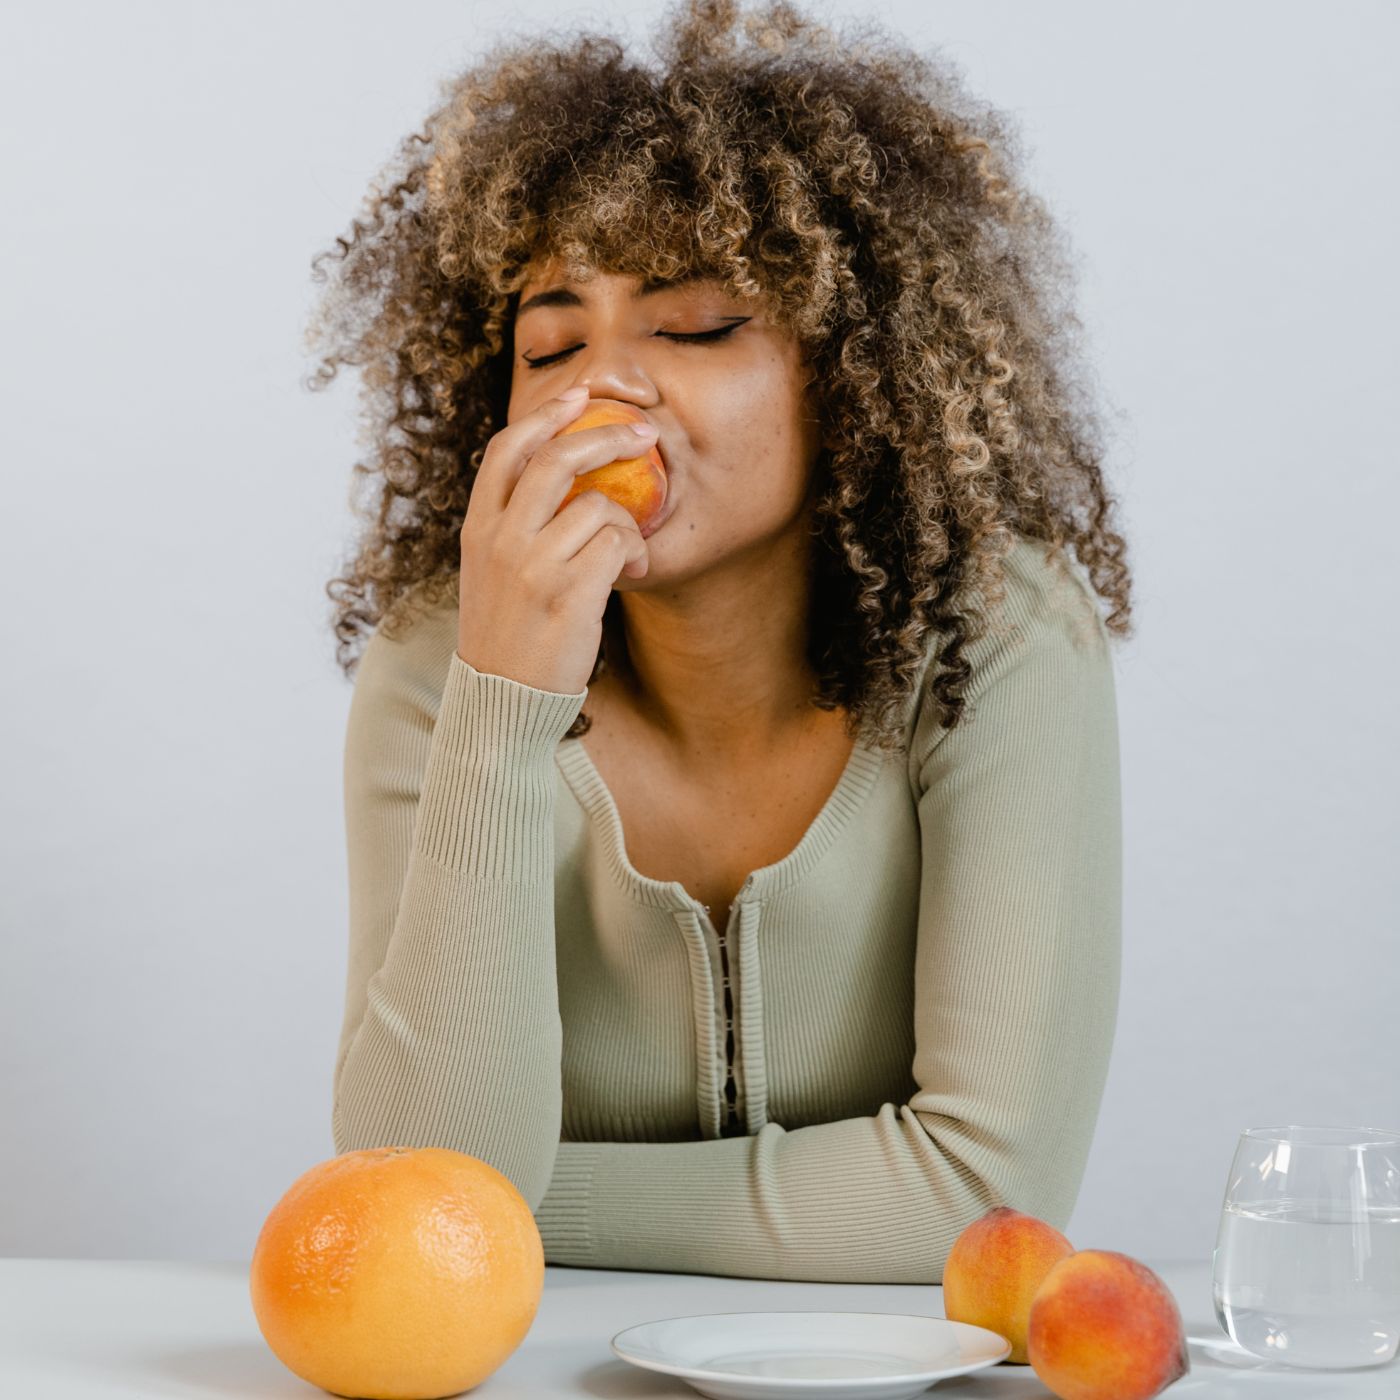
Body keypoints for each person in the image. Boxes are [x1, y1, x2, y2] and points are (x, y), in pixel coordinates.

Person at [307, 0, 1135, 1284]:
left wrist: (530, 1207)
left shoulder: (995, 633)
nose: (601, 385)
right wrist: (501, 700)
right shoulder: (439, 663)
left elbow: (986, 1191)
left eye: (694, 325)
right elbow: (422, 1195)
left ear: (852, 370)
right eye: (550, 342)